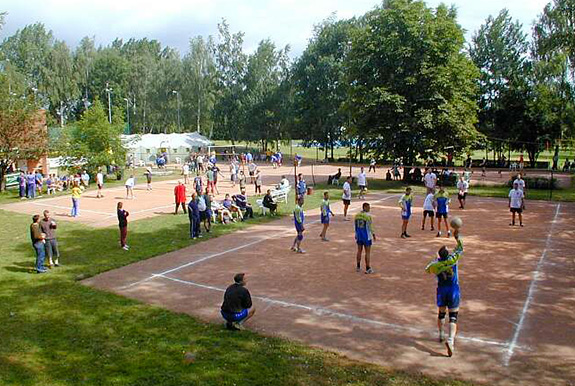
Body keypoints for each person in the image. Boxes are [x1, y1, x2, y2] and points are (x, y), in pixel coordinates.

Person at [425, 229, 463, 357]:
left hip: (441, 290)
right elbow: (460, 248)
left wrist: (435, 259)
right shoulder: (452, 260)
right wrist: (457, 237)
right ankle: (451, 340)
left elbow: (427, 269)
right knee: (453, 316)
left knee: (441, 313)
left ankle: (441, 333)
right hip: (453, 289)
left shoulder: (436, 265)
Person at [355, 202, 376, 274]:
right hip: (366, 236)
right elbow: (370, 227)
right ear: (364, 207)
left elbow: (355, 226)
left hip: (359, 236)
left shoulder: (357, 215)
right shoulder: (368, 216)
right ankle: (368, 268)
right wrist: (373, 234)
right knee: (367, 252)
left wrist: (356, 234)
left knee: (359, 251)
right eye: (368, 207)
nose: (369, 208)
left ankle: (358, 266)